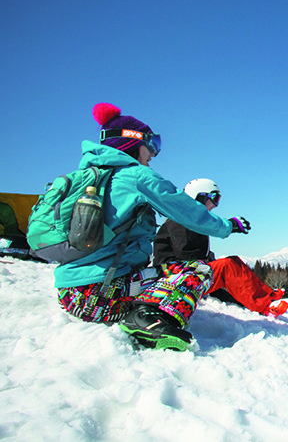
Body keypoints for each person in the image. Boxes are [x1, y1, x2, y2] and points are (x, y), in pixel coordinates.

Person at [54, 102, 237, 351]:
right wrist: (228, 226)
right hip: (102, 296)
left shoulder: (85, 178)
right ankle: (147, 319)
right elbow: (187, 210)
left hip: (71, 295)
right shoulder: (136, 176)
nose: (153, 153)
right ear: (130, 143)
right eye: (151, 145)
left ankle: (139, 307)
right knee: (200, 270)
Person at [153, 178, 288, 317]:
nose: (215, 205)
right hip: (173, 277)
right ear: (198, 197)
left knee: (232, 262)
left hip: (188, 273)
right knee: (226, 266)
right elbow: (187, 254)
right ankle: (265, 306)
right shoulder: (179, 221)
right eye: (214, 198)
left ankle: (266, 295)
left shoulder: (191, 221)